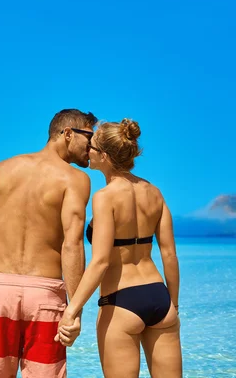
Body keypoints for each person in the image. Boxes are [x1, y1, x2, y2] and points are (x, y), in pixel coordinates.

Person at [0, 109, 97, 378]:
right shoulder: (75, 179)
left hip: (0, 292)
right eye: (89, 136)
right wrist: (75, 309)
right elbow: (72, 245)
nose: (93, 145)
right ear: (67, 134)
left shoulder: (1, 170)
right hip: (45, 295)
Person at [55, 119, 182, 377]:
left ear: (104, 156)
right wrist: (174, 304)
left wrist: (72, 309)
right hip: (160, 297)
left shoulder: (105, 197)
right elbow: (169, 254)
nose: (87, 151)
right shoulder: (155, 193)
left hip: (121, 301)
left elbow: (100, 262)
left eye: (92, 148)